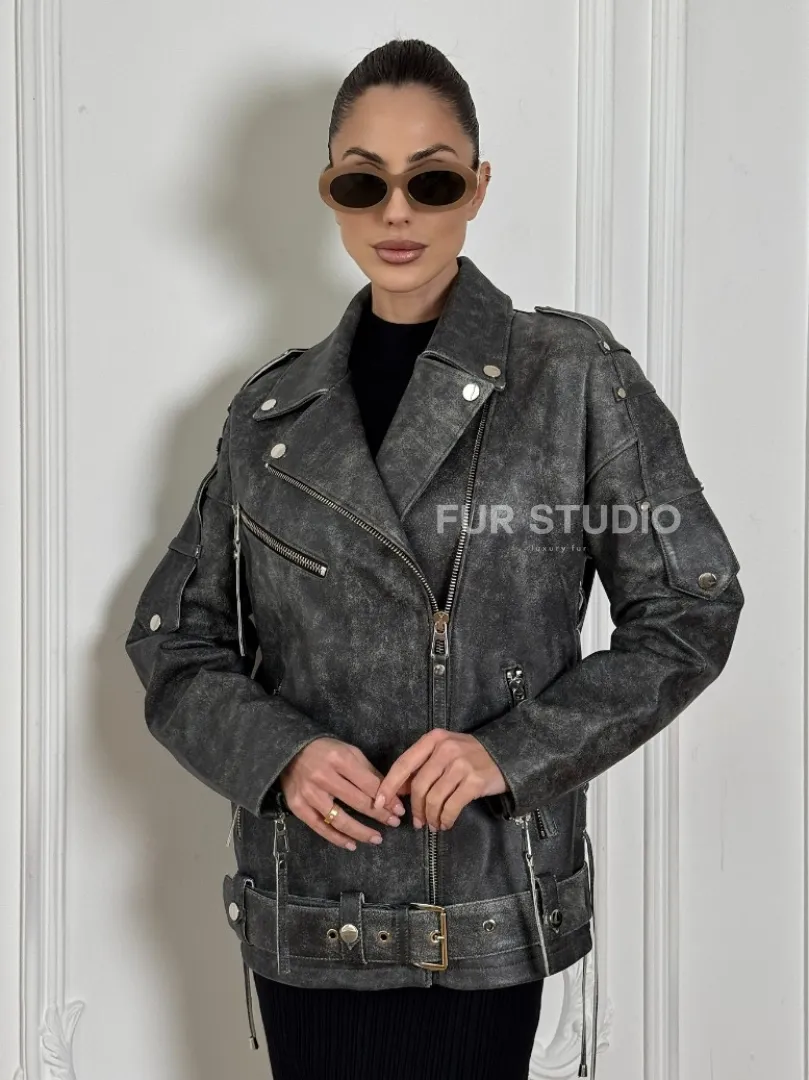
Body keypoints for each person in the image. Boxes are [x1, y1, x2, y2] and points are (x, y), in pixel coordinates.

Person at [125, 37, 744, 1080]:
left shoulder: (570, 378)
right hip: (309, 908)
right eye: (363, 181)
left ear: (478, 187)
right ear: (329, 194)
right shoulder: (270, 413)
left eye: (433, 179)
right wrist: (279, 753)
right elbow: (173, 640)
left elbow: (690, 608)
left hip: (482, 901)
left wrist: (511, 753)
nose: (397, 211)